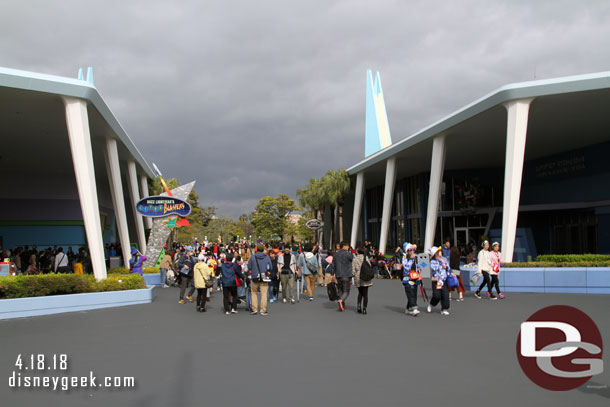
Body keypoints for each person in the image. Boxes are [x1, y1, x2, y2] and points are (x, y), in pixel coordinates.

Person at [247, 245, 273, 315]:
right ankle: (263, 310)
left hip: (255, 276)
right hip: (264, 277)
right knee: (264, 294)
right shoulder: (266, 257)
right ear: (263, 250)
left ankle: (254, 309)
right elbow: (270, 267)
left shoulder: (253, 257)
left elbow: (249, 266)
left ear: (256, 249)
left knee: (254, 293)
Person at [427, 246, 453, 315]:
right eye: (439, 251)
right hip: (436, 281)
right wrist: (440, 263)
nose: (440, 252)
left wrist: (446, 267)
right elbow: (434, 268)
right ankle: (432, 304)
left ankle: (444, 309)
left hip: (444, 280)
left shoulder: (444, 259)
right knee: (436, 295)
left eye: (440, 251)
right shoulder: (432, 261)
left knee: (445, 295)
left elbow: (449, 268)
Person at [332, 242, 353, 311]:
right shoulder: (348, 254)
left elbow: (333, 265)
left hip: (338, 274)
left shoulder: (335, 254)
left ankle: (342, 305)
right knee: (346, 291)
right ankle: (341, 300)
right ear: (344, 246)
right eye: (348, 246)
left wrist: (333, 274)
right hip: (346, 274)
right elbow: (353, 260)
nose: (348, 247)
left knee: (340, 290)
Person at [352, 247, 373, 314]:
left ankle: (358, 306)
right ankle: (364, 308)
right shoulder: (366, 258)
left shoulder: (355, 259)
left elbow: (353, 271)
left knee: (360, 293)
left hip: (358, 277)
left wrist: (355, 274)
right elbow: (369, 267)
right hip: (365, 276)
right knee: (365, 294)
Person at [402, 243, 421, 316]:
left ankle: (408, 308)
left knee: (414, 293)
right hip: (407, 278)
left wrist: (419, 269)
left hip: (415, 277)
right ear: (407, 251)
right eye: (410, 250)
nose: (412, 251)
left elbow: (418, 266)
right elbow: (406, 268)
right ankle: (414, 308)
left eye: (413, 250)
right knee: (410, 292)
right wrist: (411, 259)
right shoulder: (404, 258)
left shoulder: (416, 258)